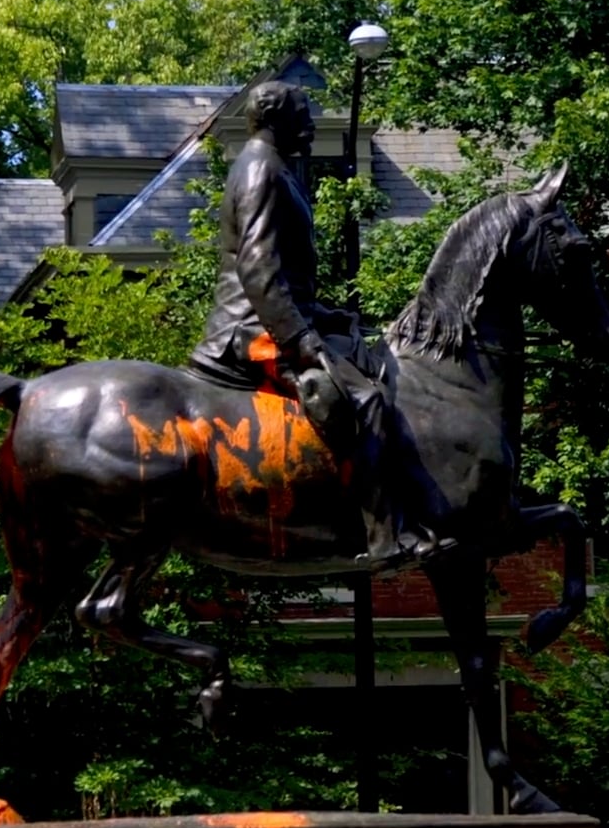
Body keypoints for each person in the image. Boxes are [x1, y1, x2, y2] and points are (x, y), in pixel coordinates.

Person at [185, 80, 434, 569]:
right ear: (279, 119)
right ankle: (383, 537)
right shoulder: (261, 169)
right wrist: (300, 338)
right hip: (251, 331)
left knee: (378, 362)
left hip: (278, 319)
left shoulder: (275, 167)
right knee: (367, 402)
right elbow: (259, 270)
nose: (313, 123)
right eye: (306, 113)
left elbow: (289, 282)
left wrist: (327, 318)